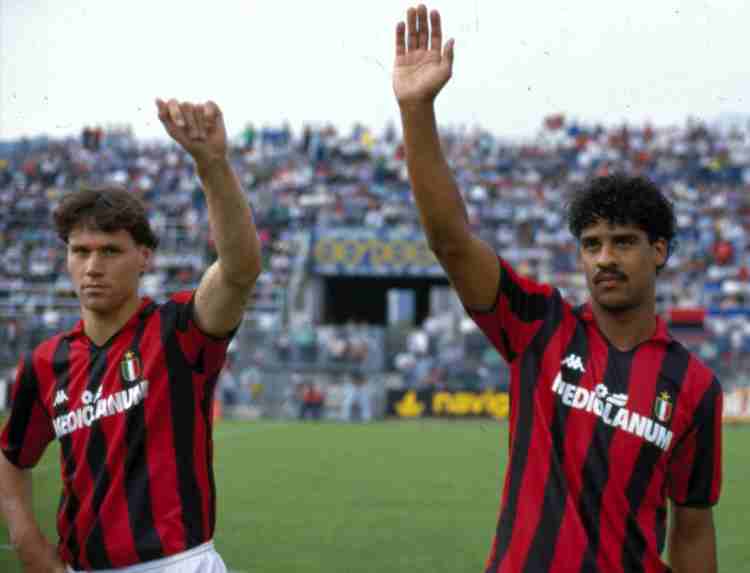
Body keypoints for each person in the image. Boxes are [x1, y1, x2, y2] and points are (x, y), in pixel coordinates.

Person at [392, 6, 722, 573]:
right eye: (591, 244)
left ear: (659, 251)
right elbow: (450, 241)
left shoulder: (693, 386)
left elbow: (692, 532)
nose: (604, 259)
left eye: (622, 242)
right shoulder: (538, 327)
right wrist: (416, 110)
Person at [0, 99, 262, 572]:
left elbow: (240, 270)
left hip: (178, 563)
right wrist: (27, 541)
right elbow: (12, 456)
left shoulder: (179, 330)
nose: (93, 266)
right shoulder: (45, 363)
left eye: (110, 250)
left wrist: (212, 165)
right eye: (80, 251)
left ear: (144, 256)